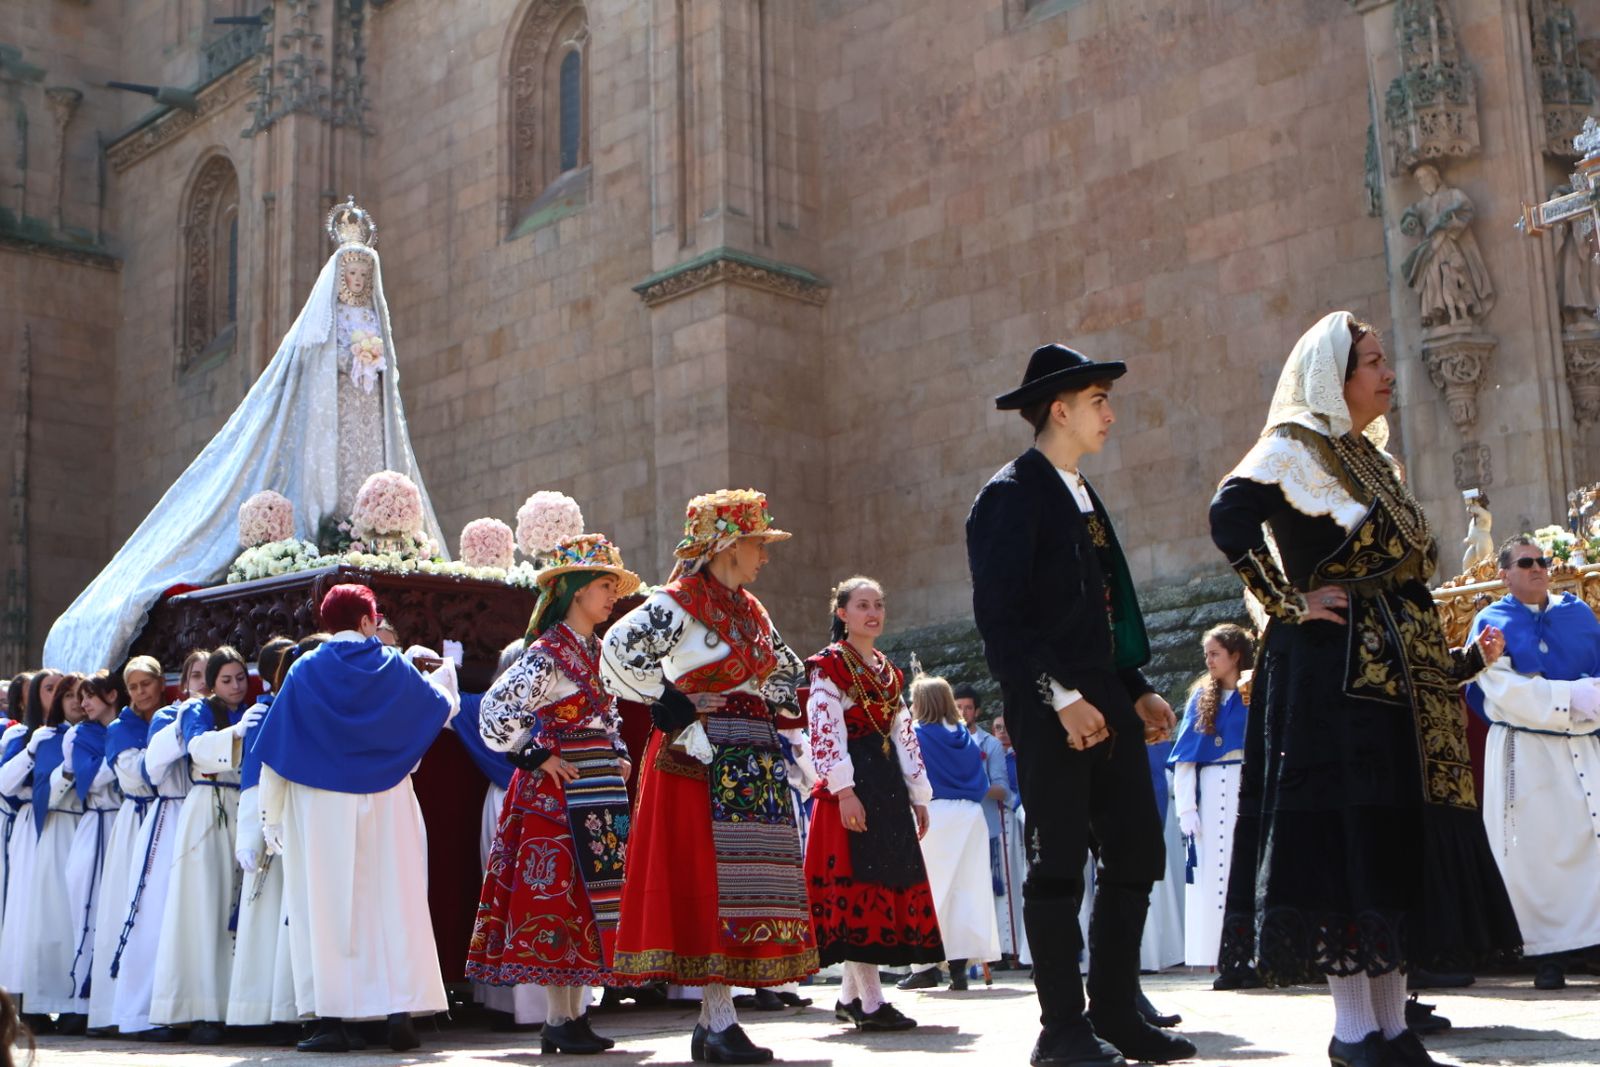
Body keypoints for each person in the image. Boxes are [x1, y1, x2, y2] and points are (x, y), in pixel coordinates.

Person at [1209, 312, 1519, 1067]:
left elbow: (1402, 581)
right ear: (1333, 377)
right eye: (1371, 362)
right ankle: (1353, 1029)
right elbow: (1228, 513)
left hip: (1393, 680)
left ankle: (1389, 1024)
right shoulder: (1295, 446)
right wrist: (1288, 601)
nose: (1386, 372)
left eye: (1382, 359)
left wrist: (1456, 661)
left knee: (1390, 839)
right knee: (1352, 838)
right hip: (1333, 680)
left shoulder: (1368, 459)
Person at [43, 197, 444, 676]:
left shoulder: (375, 319)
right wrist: (349, 360)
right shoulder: (322, 326)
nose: (357, 283)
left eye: (364, 277)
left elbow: (387, 383)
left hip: (365, 416)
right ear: (338, 280)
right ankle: (336, 524)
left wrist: (371, 360)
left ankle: (374, 525)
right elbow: (313, 379)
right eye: (351, 277)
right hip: (333, 419)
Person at [966, 343, 1192, 1067]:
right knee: (1058, 862)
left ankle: (1118, 1012)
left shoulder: (1081, 492)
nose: (1111, 414)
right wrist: (1061, 698)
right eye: (1099, 402)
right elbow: (1004, 621)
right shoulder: (1009, 494)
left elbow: (1097, 615)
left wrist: (1136, 687)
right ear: (1059, 409)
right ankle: (1061, 1029)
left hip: (1105, 701)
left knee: (1136, 852)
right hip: (1049, 710)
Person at [600, 488, 815, 1065]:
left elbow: (784, 670)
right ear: (725, 544)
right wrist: (669, 702)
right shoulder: (677, 602)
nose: (764, 556)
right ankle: (716, 1021)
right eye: (757, 543)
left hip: (750, 754)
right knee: (710, 884)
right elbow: (617, 652)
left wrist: (779, 694)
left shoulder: (752, 609)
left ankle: (718, 1021)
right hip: (701, 755)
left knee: (742, 888)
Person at [253, 583, 458, 1053]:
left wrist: (273, 814)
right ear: (368, 621)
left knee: (326, 910)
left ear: (326, 624)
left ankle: (332, 1021)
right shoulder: (392, 664)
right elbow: (440, 709)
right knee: (394, 904)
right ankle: (398, 1013)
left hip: (322, 803)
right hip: (387, 798)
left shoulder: (304, 669)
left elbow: (277, 748)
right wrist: (446, 675)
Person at [469, 532, 641, 1053]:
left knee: (588, 905)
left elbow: (605, 712)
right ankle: (557, 1018)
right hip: (557, 796)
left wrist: (619, 750)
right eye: (604, 586)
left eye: (614, 587)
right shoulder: (545, 654)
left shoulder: (594, 649)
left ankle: (572, 1015)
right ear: (575, 591)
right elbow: (494, 714)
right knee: (558, 903)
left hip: (597, 789)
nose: (612, 597)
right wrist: (538, 755)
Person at [804, 576, 939, 1032]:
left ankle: (849, 999)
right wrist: (843, 790)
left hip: (887, 788)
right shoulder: (829, 667)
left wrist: (917, 793)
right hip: (854, 787)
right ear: (842, 613)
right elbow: (824, 729)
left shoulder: (888, 670)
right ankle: (872, 1003)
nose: (873, 612)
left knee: (883, 884)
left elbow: (904, 735)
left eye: (879, 604)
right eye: (862, 605)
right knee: (859, 892)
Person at [1466, 535, 1600, 991]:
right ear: (1504, 573)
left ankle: (1593, 943)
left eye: (1544, 561)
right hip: (1527, 751)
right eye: (1526, 562)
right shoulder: (1491, 620)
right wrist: (1569, 697)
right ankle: (1546, 955)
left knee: (1587, 846)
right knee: (1536, 854)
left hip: (1581, 746)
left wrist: (1591, 697)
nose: (1538, 568)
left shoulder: (1578, 613)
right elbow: (1499, 689)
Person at [150, 646, 256, 1042]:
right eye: (226, 680)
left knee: (234, 907)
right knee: (201, 906)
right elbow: (198, 749)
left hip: (240, 807)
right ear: (211, 683)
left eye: (240, 678)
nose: (235, 686)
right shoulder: (198, 711)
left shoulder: (252, 709)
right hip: (207, 808)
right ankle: (199, 1010)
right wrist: (235, 733)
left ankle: (235, 1009)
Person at [112, 651, 206, 1041]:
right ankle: (144, 1012)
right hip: (166, 819)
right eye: (194, 676)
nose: (138, 693)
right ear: (182, 682)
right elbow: (147, 771)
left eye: (144, 684)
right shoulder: (169, 717)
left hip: (202, 816)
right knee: (154, 917)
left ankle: (193, 1007)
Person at [899, 675, 999, 993]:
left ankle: (925, 966)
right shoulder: (966, 737)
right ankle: (958, 968)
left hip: (935, 813)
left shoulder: (916, 735)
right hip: (971, 816)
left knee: (929, 891)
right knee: (965, 894)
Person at [1167, 624, 1252, 975]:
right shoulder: (1202, 698)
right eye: (1207, 654)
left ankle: (1249, 955)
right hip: (1211, 788)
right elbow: (1186, 759)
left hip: (1244, 786)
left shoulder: (1255, 692)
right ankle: (1217, 954)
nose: (1209, 660)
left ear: (1235, 655)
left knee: (1241, 868)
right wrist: (1186, 808)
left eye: (1215, 653)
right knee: (1211, 873)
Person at [86, 656, 165, 1032]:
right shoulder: (121, 728)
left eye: (145, 684)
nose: (139, 692)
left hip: (166, 820)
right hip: (135, 823)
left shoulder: (169, 716)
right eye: (133, 687)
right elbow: (137, 777)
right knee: (131, 911)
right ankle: (124, 1011)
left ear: (159, 683)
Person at [227, 635, 302, 1030]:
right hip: (275, 832)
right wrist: (248, 837)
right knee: (269, 922)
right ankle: (264, 1011)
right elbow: (253, 783)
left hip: (301, 826)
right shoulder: (264, 713)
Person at [18, 671, 88, 1028]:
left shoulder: (97, 734)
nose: (77, 702)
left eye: (82, 694)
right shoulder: (48, 739)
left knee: (82, 918)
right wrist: (68, 766)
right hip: (58, 828)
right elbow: (45, 791)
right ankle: (42, 1002)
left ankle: (80, 1004)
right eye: (68, 696)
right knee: (53, 917)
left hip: (90, 826)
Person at [61, 673, 123, 1032]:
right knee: (89, 910)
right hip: (97, 826)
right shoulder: (82, 734)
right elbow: (88, 780)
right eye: (80, 697)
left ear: (111, 695)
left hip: (126, 822)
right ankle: (85, 1004)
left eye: (90, 696)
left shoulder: (125, 726)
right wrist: (121, 754)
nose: (83, 704)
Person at [0, 669, 60, 1020]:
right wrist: (32, 750)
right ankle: (26, 1003)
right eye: (50, 689)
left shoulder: (71, 734)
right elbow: (6, 783)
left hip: (62, 825)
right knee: (26, 909)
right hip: (27, 827)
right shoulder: (21, 735)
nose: (59, 694)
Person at [989, 712, 1031, 969]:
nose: (1002, 733)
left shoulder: (1021, 757)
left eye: (1006, 727)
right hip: (997, 824)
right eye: (997, 728)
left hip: (1019, 822)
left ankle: (1019, 948)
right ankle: (1003, 949)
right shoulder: (995, 755)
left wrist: (1016, 803)